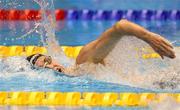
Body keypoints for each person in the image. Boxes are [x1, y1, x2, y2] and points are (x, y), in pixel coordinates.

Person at [26, 19, 176, 76]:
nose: (51, 67)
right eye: (45, 68)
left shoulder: (83, 60)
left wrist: (148, 37)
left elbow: (121, 26)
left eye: (47, 61)